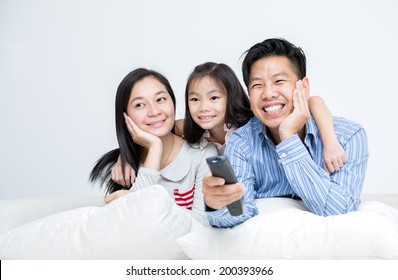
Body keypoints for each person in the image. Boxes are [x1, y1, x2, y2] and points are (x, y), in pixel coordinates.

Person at [202, 38, 369, 228]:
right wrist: (217, 205)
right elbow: (240, 212)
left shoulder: (348, 137)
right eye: (257, 85)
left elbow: (338, 212)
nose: (268, 93)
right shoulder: (241, 142)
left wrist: (288, 136)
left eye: (279, 81)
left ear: (303, 87)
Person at [112, 62, 347, 186]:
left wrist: (331, 143)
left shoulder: (249, 123)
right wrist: (125, 156)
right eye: (195, 99)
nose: (204, 107)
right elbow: (153, 129)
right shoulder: (192, 131)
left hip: (289, 173)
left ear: (230, 97)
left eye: (214, 98)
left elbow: (314, 101)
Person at [89, 68, 218, 226]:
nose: (154, 111)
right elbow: (129, 225)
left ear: (173, 102)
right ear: (125, 116)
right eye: (140, 105)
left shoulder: (203, 153)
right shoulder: (121, 169)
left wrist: (145, 202)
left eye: (160, 99)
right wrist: (154, 149)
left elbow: (202, 223)